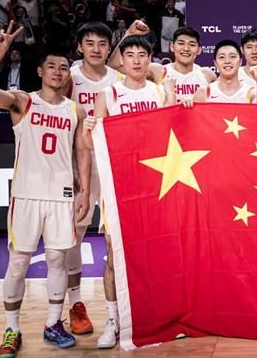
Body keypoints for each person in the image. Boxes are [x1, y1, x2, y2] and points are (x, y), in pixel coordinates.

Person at [0, 22, 90, 357]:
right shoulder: (23, 102)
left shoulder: (75, 110)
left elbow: (81, 152)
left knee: (57, 260)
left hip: (61, 196)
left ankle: (53, 323)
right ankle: (12, 329)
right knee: (18, 263)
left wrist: (84, 191)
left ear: (68, 75)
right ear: (40, 71)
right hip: (26, 195)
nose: (58, 72)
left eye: (63, 67)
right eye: (51, 66)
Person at [83, 35, 168, 349]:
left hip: (154, 183)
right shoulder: (109, 93)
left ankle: (148, 318)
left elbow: (174, 132)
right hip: (119, 186)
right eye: (130, 54)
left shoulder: (160, 92)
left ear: (149, 60)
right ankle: (112, 320)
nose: (136, 60)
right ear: (122, 60)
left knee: (151, 254)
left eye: (142, 54)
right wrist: (88, 129)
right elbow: (92, 144)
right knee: (113, 255)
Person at [64, 22, 123, 337]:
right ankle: (76, 305)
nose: (96, 49)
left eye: (102, 43)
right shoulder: (69, 78)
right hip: (80, 166)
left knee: (118, 241)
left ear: (109, 49)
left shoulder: (118, 78)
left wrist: (129, 36)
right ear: (80, 47)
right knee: (74, 237)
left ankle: (122, 310)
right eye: (90, 43)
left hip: (113, 167)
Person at [110, 21, 215, 103]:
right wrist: (129, 34)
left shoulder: (207, 75)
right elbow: (114, 67)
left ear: (199, 50)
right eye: (181, 43)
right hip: (167, 124)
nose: (186, 49)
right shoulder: (158, 71)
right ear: (172, 47)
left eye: (192, 44)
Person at [189, 40, 257, 104]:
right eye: (222, 57)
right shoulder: (203, 93)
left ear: (240, 61)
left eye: (232, 56)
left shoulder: (251, 93)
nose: (227, 61)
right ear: (215, 63)